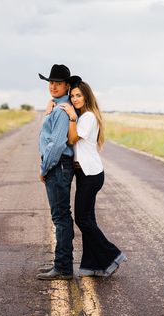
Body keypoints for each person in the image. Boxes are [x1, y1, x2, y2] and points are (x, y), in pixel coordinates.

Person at [59, 79, 127, 277]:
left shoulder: (87, 117)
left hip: (91, 174)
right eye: (72, 96)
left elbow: (72, 139)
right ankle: (93, 265)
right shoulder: (83, 116)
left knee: (82, 219)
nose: (74, 99)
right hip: (84, 173)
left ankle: (112, 254)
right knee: (89, 219)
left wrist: (71, 116)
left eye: (78, 95)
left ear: (86, 96)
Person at [37, 64, 81, 280]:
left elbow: (55, 145)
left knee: (61, 217)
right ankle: (61, 263)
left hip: (58, 165)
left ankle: (63, 267)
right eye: (50, 82)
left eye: (58, 83)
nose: (53, 86)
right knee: (61, 216)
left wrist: (44, 168)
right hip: (58, 165)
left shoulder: (63, 111)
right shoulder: (56, 107)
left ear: (66, 86)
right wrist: (48, 113)